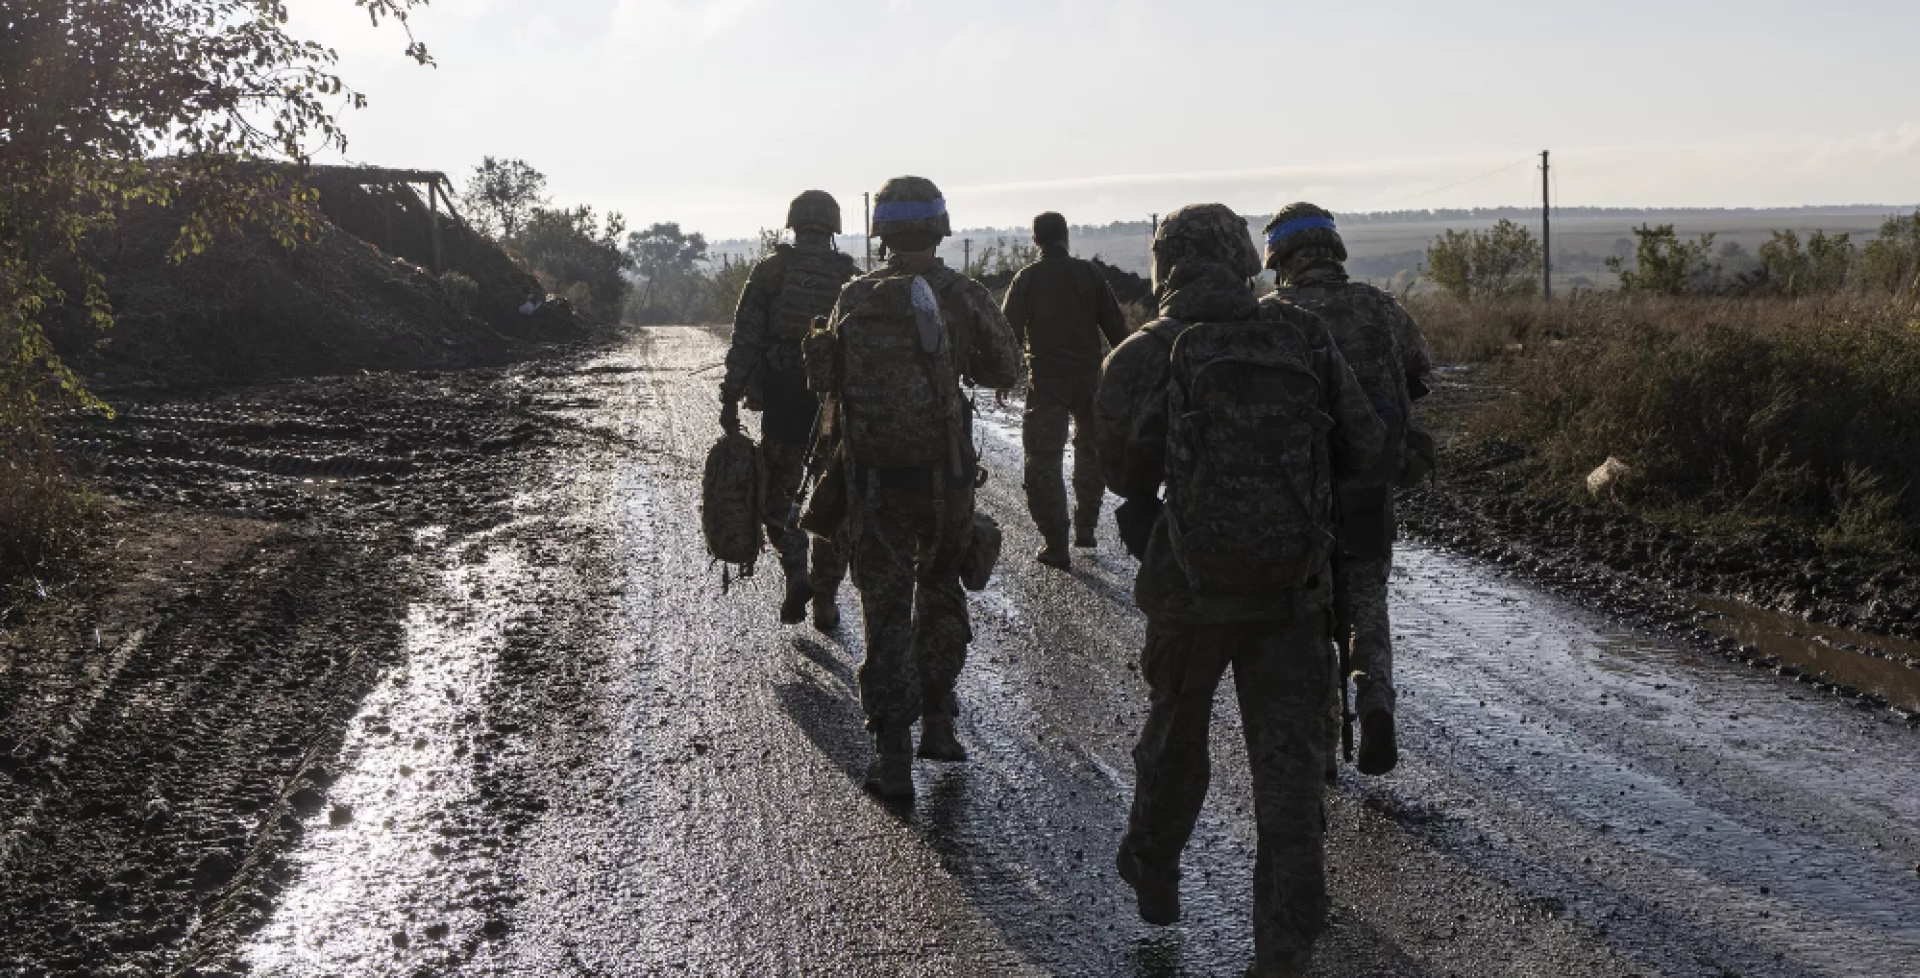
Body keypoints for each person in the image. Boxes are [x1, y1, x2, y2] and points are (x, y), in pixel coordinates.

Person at [1097, 203, 1383, 978]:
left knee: (1177, 739)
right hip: (1292, 590)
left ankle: (1153, 863)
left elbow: (1120, 474)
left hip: (1188, 593)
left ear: (1165, 264)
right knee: (1289, 774)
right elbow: (1364, 447)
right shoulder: (1303, 336)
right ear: (1240, 260)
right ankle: (1283, 947)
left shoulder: (1138, 354)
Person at [809, 176, 1020, 801]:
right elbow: (1008, 368)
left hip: (873, 476)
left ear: (884, 233)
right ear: (938, 227)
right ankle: (939, 722)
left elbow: (830, 384)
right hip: (944, 476)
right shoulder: (962, 292)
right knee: (940, 587)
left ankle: (892, 758)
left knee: (883, 609)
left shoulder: (853, 296)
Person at [1261, 202, 1434, 778]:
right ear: (1334, 250)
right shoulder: (1381, 307)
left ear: (1279, 258)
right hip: (1368, 482)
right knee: (1366, 600)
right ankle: (1375, 699)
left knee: (1308, 612)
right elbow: (1418, 377)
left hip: (1296, 495)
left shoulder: (1269, 317)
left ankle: (1323, 735)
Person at [718, 191, 861, 629]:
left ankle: (796, 571)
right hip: (834, 404)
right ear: (833, 227)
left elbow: (745, 337)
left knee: (778, 493)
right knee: (831, 499)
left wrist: (730, 395)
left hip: (783, 396)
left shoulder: (771, 271)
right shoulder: (849, 278)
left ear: (794, 224)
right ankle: (825, 600)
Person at [1000, 211, 1129, 569]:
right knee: (1090, 450)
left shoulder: (1027, 279)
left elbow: (1006, 334)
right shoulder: (1090, 274)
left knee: (1043, 461)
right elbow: (1117, 330)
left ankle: (1056, 544)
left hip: (1046, 383)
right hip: (1090, 379)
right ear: (1066, 236)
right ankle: (1086, 525)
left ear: (1036, 240)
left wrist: (1004, 376)